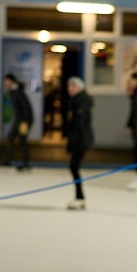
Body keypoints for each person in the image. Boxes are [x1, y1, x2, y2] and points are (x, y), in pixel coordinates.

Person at [62, 76, 94, 210]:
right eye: (69, 86)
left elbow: (79, 125)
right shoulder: (75, 101)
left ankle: (80, 198)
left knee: (74, 167)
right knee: (74, 167)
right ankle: (79, 197)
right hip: (79, 139)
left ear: (79, 88)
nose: (70, 89)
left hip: (81, 140)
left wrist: (73, 142)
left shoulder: (82, 102)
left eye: (73, 86)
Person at [2, 73, 34, 171]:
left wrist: (25, 122)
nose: (5, 83)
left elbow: (25, 107)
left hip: (24, 120)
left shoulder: (18, 91)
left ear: (11, 81)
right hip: (19, 119)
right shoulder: (13, 91)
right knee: (11, 137)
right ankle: (8, 160)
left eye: (6, 81)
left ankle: (26, 163)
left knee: (22, 140)